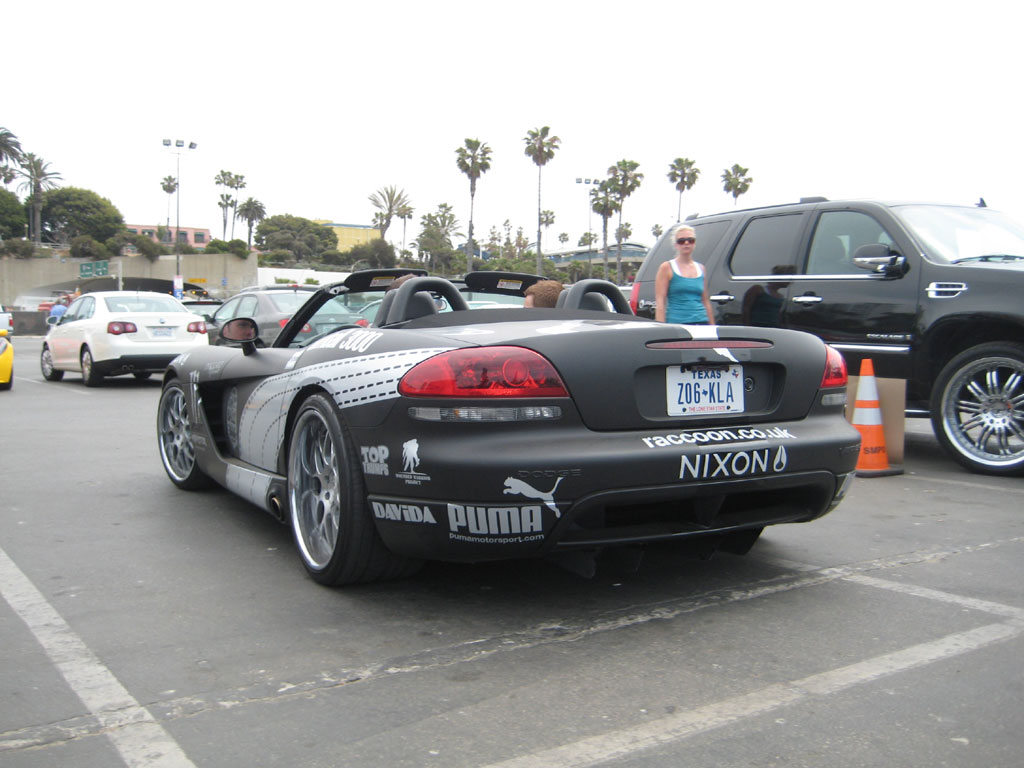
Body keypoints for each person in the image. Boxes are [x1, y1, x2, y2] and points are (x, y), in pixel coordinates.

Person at [654, 225, 714, 324]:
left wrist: (712, 326)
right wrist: (662, 329)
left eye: (690, 240)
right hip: (677, 324)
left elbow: (705, 301)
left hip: (702, 322)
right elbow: (660, 302)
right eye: (681, 241)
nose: (686, 243)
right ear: (676, 245)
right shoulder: (666, 267)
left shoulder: (701, 268)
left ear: (694, 243)